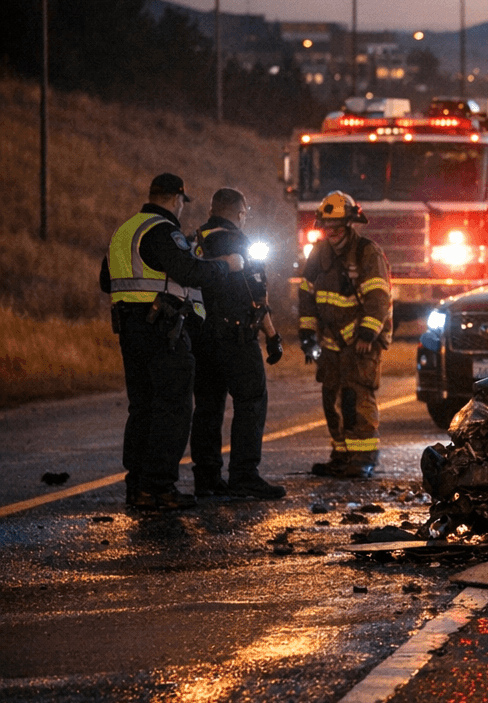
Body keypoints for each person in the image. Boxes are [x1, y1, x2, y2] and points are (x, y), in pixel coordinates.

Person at [101, 173, 243, 511]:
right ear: (177, 199)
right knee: (174, 410)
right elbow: (190, 272)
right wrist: (225, 265)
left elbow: (107, 281)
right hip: (163, 332)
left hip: (131, 330)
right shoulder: (163, 230)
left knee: (143, 409)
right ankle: (159, 488)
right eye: (181, 202)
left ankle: (137, 486)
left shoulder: (124, 231)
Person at [189, 188, 286, 499]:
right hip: (237, 337)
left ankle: (206, 477)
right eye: (245, 214)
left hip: (201, 338)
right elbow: (256, 298)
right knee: (251, 403)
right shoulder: (243, 243)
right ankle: (244, 474)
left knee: (207, 408)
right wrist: (272, 336)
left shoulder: (194, 241)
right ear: (239, 213)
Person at [297, 191, 393, 478]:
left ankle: (363, 457)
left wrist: (366, 333)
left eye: (337, 228)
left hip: (360, 342)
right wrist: (305, 332)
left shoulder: (367, 252)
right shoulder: (319, 253)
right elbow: (306, 293)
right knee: (331, 397)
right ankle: (340, 454)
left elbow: (378, 298)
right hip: (330, 342)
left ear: (350, 224)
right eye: (328, 228)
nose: (332, 233)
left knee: (356, 398)